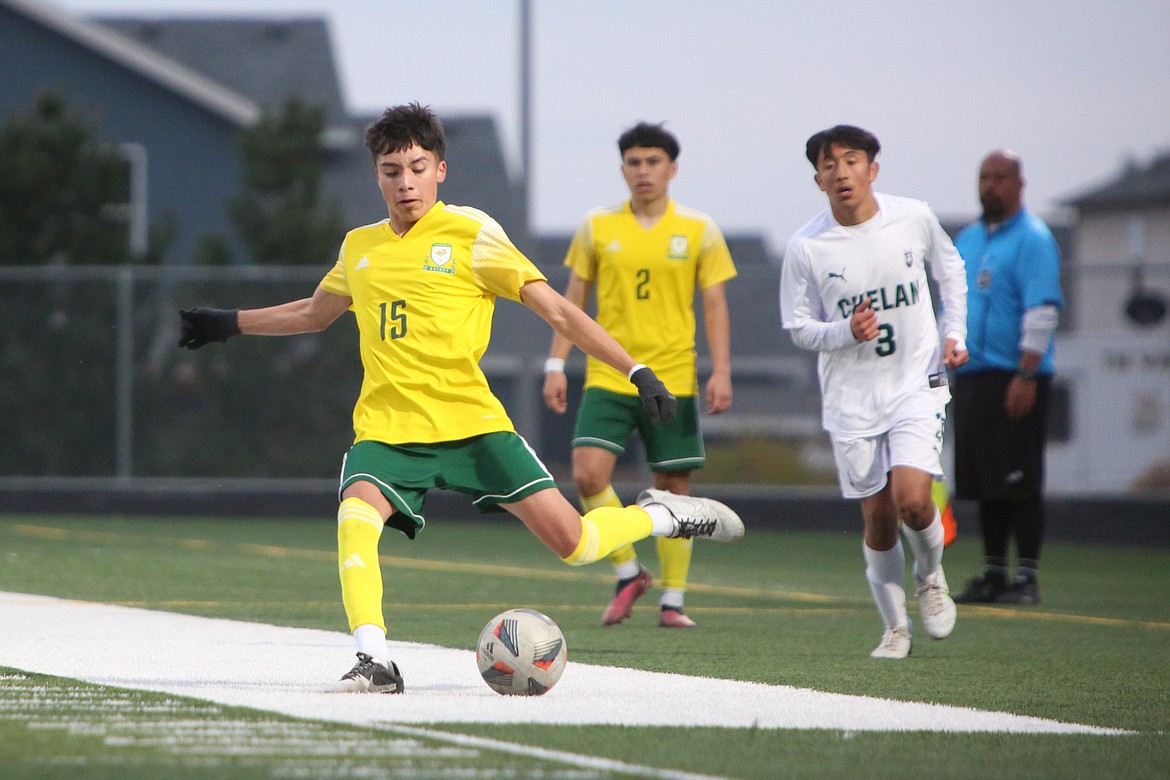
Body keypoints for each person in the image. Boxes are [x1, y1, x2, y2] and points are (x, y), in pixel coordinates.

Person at [176, 102, 744, 694]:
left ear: (440, 170)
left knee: (576, 545)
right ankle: (373, 659)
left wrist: (636, 370)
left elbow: (557, 309)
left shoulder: (473, 234)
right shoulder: (359, 247)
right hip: (389, 430)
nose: (405, 182)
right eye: (392, 170)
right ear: (377, 175)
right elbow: (314, 313)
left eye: (417, 168)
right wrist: (229, 323)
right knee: (354, 517)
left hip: (473, 426)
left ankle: (659, 514)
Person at [778, 125, 969, 659]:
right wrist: (844, 332)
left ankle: (931, 576)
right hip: (851, 399)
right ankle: (895, 629)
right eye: (830, 164)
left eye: (852, 161)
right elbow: (798, 327)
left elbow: (950, 273)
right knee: (879, 518)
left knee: (913, 499)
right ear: (817, 179)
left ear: (872, 170)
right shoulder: (807, 246)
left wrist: (955, 334)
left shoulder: (913, 217)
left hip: (916, 385)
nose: (842, 172)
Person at [542, 122, 737, 629]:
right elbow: (571, 301)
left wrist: (722, 371)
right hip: (612, 374)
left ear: (672, 169)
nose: (643, 171)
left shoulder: (699, 229)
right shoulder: (596, 226)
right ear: (623, 169)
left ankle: (673, 600)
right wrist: (556, 363)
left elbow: (714, 304)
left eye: (653, 162)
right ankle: (628, 572)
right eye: (634, 162)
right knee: (587, 474)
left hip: (673, 374)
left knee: (672, 487)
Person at [952, 150, 1063, 606]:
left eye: (999, 177)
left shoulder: (1033, 238)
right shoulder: (969, 239)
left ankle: (1027, 577)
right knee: (985, 481)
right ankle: (995, 572)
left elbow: (1042, 309)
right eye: (983, 177)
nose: (989, 186)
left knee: (1020, 480)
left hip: (1014, 376)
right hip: (974, 376)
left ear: (1019, 184)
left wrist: (1026, 373)